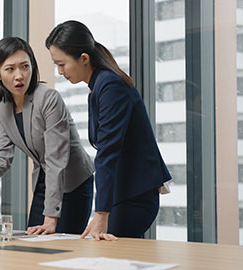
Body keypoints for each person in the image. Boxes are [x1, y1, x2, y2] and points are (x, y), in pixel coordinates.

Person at [46, 20, 172, 240]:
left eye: (62, 64)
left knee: (107, 254)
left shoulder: (110, 86)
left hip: (134, 195)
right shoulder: (98, 87)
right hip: (122, 194)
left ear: (84, 58)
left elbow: (107, 152)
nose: (59, 71)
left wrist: (101, 213)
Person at [0, 37, 95, 235]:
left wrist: (50, 219)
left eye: (25, 66)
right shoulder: (3, 106)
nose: (19, 75)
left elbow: (57, 159)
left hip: (73, 182)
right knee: (33, 243)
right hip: (43, 180)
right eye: (10, 69)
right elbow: (3, 155)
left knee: (59, 244)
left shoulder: (48, 98)